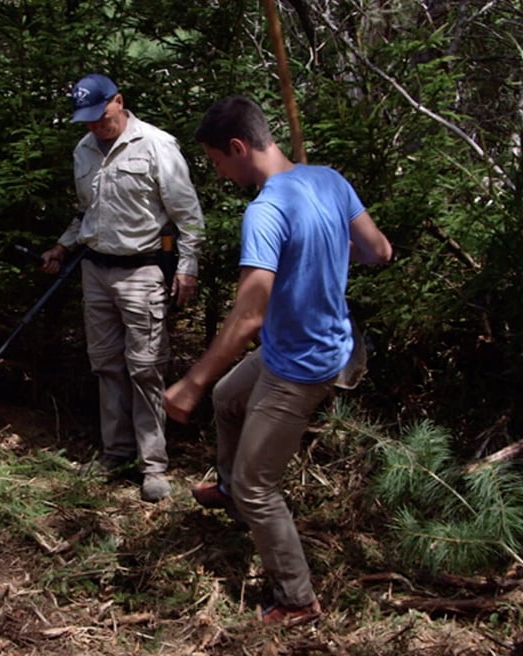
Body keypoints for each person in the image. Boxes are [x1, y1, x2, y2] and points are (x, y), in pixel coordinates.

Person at [163, 96, 391, 625]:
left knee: (258, 486)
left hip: (302, 365)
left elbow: (248, 316)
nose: (217, 172)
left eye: (217, 160)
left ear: (239, 147)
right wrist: (332, 247)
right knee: (229, 399)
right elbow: (379, 251)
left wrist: (190, 382)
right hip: (300, 344)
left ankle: (296, 598)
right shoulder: (329, 180)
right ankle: (227, 485)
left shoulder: (265, 212)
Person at [40, 73, 205, 502]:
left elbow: (187, 215)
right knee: (106, 365)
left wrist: (187, 267)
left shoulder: (156, 146)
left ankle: (153, 466)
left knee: (146, 368)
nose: (96, 126)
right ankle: (116, 453)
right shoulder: (83, 150)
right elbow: (87, 212)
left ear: (119, 101)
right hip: (95, 270)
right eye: (88, 120)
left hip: (143, 271)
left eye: (102, 116)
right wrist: (62, 245)